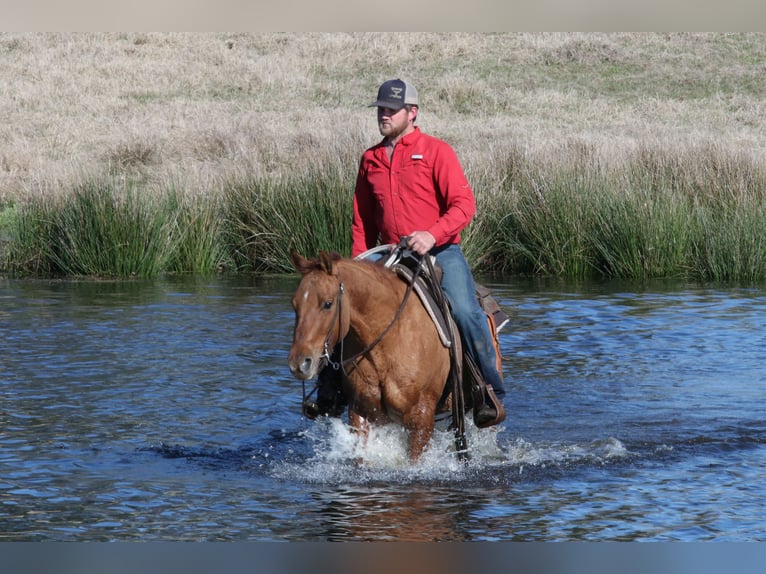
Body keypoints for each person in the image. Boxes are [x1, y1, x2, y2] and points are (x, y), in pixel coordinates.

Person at [303, 78, 505, 422]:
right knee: (342, 308)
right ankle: (330, 390)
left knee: (466, 311)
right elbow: (362, 220)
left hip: (440, 252)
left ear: (412, 113)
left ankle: (488, 390)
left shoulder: (437, 151)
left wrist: (432, 234)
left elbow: (463, 205)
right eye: (381, 109)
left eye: (391, 110)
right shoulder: (370, 159)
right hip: (387, 255)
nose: (383, 115)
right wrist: (358, 266)